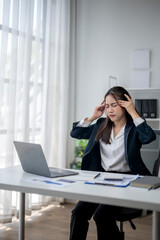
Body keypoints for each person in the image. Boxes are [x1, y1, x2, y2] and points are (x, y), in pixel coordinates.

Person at [69, 86, 156, 240]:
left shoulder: (134, 127)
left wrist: (133, 111)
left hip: (128, 181)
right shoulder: (100, 125)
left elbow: (148, 137)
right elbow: (75, 133)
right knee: (79, 212)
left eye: (114, 105)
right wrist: (93, 116)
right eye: (107, 106)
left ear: (125, 104)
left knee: (101, 215)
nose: (110, 110)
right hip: (102, 180)